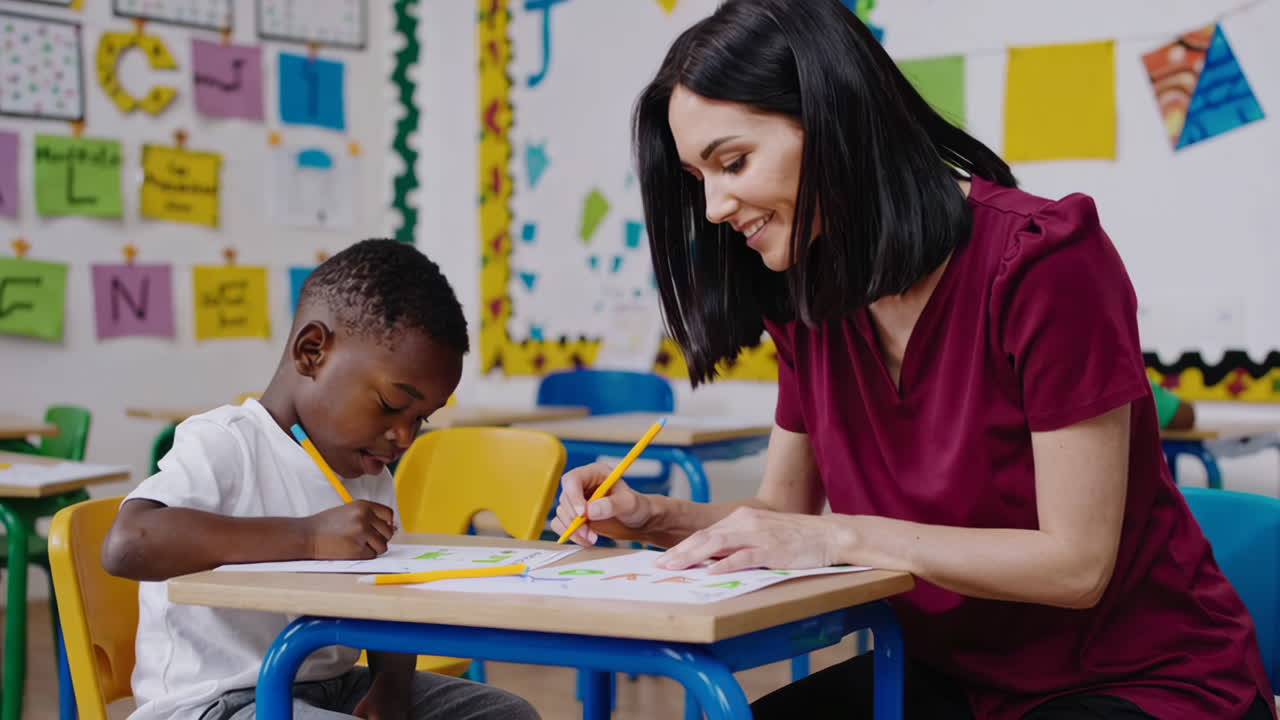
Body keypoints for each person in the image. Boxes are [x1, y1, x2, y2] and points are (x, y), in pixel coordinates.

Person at [553, 1, 1273, 718]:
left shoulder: (1044, 261)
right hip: (955, 677)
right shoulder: (807, 299)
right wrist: (656, 516)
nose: (713, 206)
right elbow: (780, 513)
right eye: (696, 178)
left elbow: (1076, 565)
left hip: (1144, 679)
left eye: (733, 162)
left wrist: (839, 536)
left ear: (836, 120)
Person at [103, 240, 539, 720]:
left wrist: (391, 685)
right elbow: (129, 543)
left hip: (329, 685)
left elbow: (387, 589)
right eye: (393, 406)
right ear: (312, 352)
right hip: (213, 703)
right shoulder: (227, 443)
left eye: (421, 420)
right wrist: (308, 537)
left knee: (506, 714)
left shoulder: (368, 470)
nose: (403, 436)